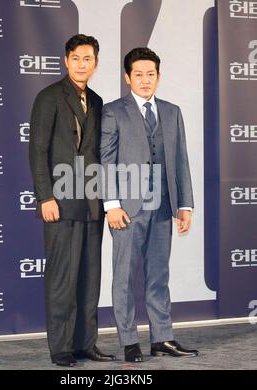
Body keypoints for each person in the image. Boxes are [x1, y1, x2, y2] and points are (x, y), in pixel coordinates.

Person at [100, 47, 199, 362]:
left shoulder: (172, 112)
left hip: (163, 207)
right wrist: (111, 204)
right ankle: (129, 342)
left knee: (159, 275)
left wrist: (184, 205)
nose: (145, 80)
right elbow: (105, 162)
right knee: (124, 278)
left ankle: (163, 338)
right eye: (138, 74)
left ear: (158, 76)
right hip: (127, 210)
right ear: (127, 77)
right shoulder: (114, 111)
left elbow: (180, 161)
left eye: (151, 74)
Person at [29, 34, 115, 367]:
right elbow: (38, 150)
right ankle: (61, 347)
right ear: (66, 60)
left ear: (95, 63)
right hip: (60, 203)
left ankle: (85, 343)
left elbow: (97, 155)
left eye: (88, 58)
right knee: (62, 277)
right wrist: (45, 196)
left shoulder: (96, 100)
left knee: (89, 278)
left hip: (92, 205)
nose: (82, 64)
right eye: (76, 58)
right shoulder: (48, 97)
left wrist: (108, 201)